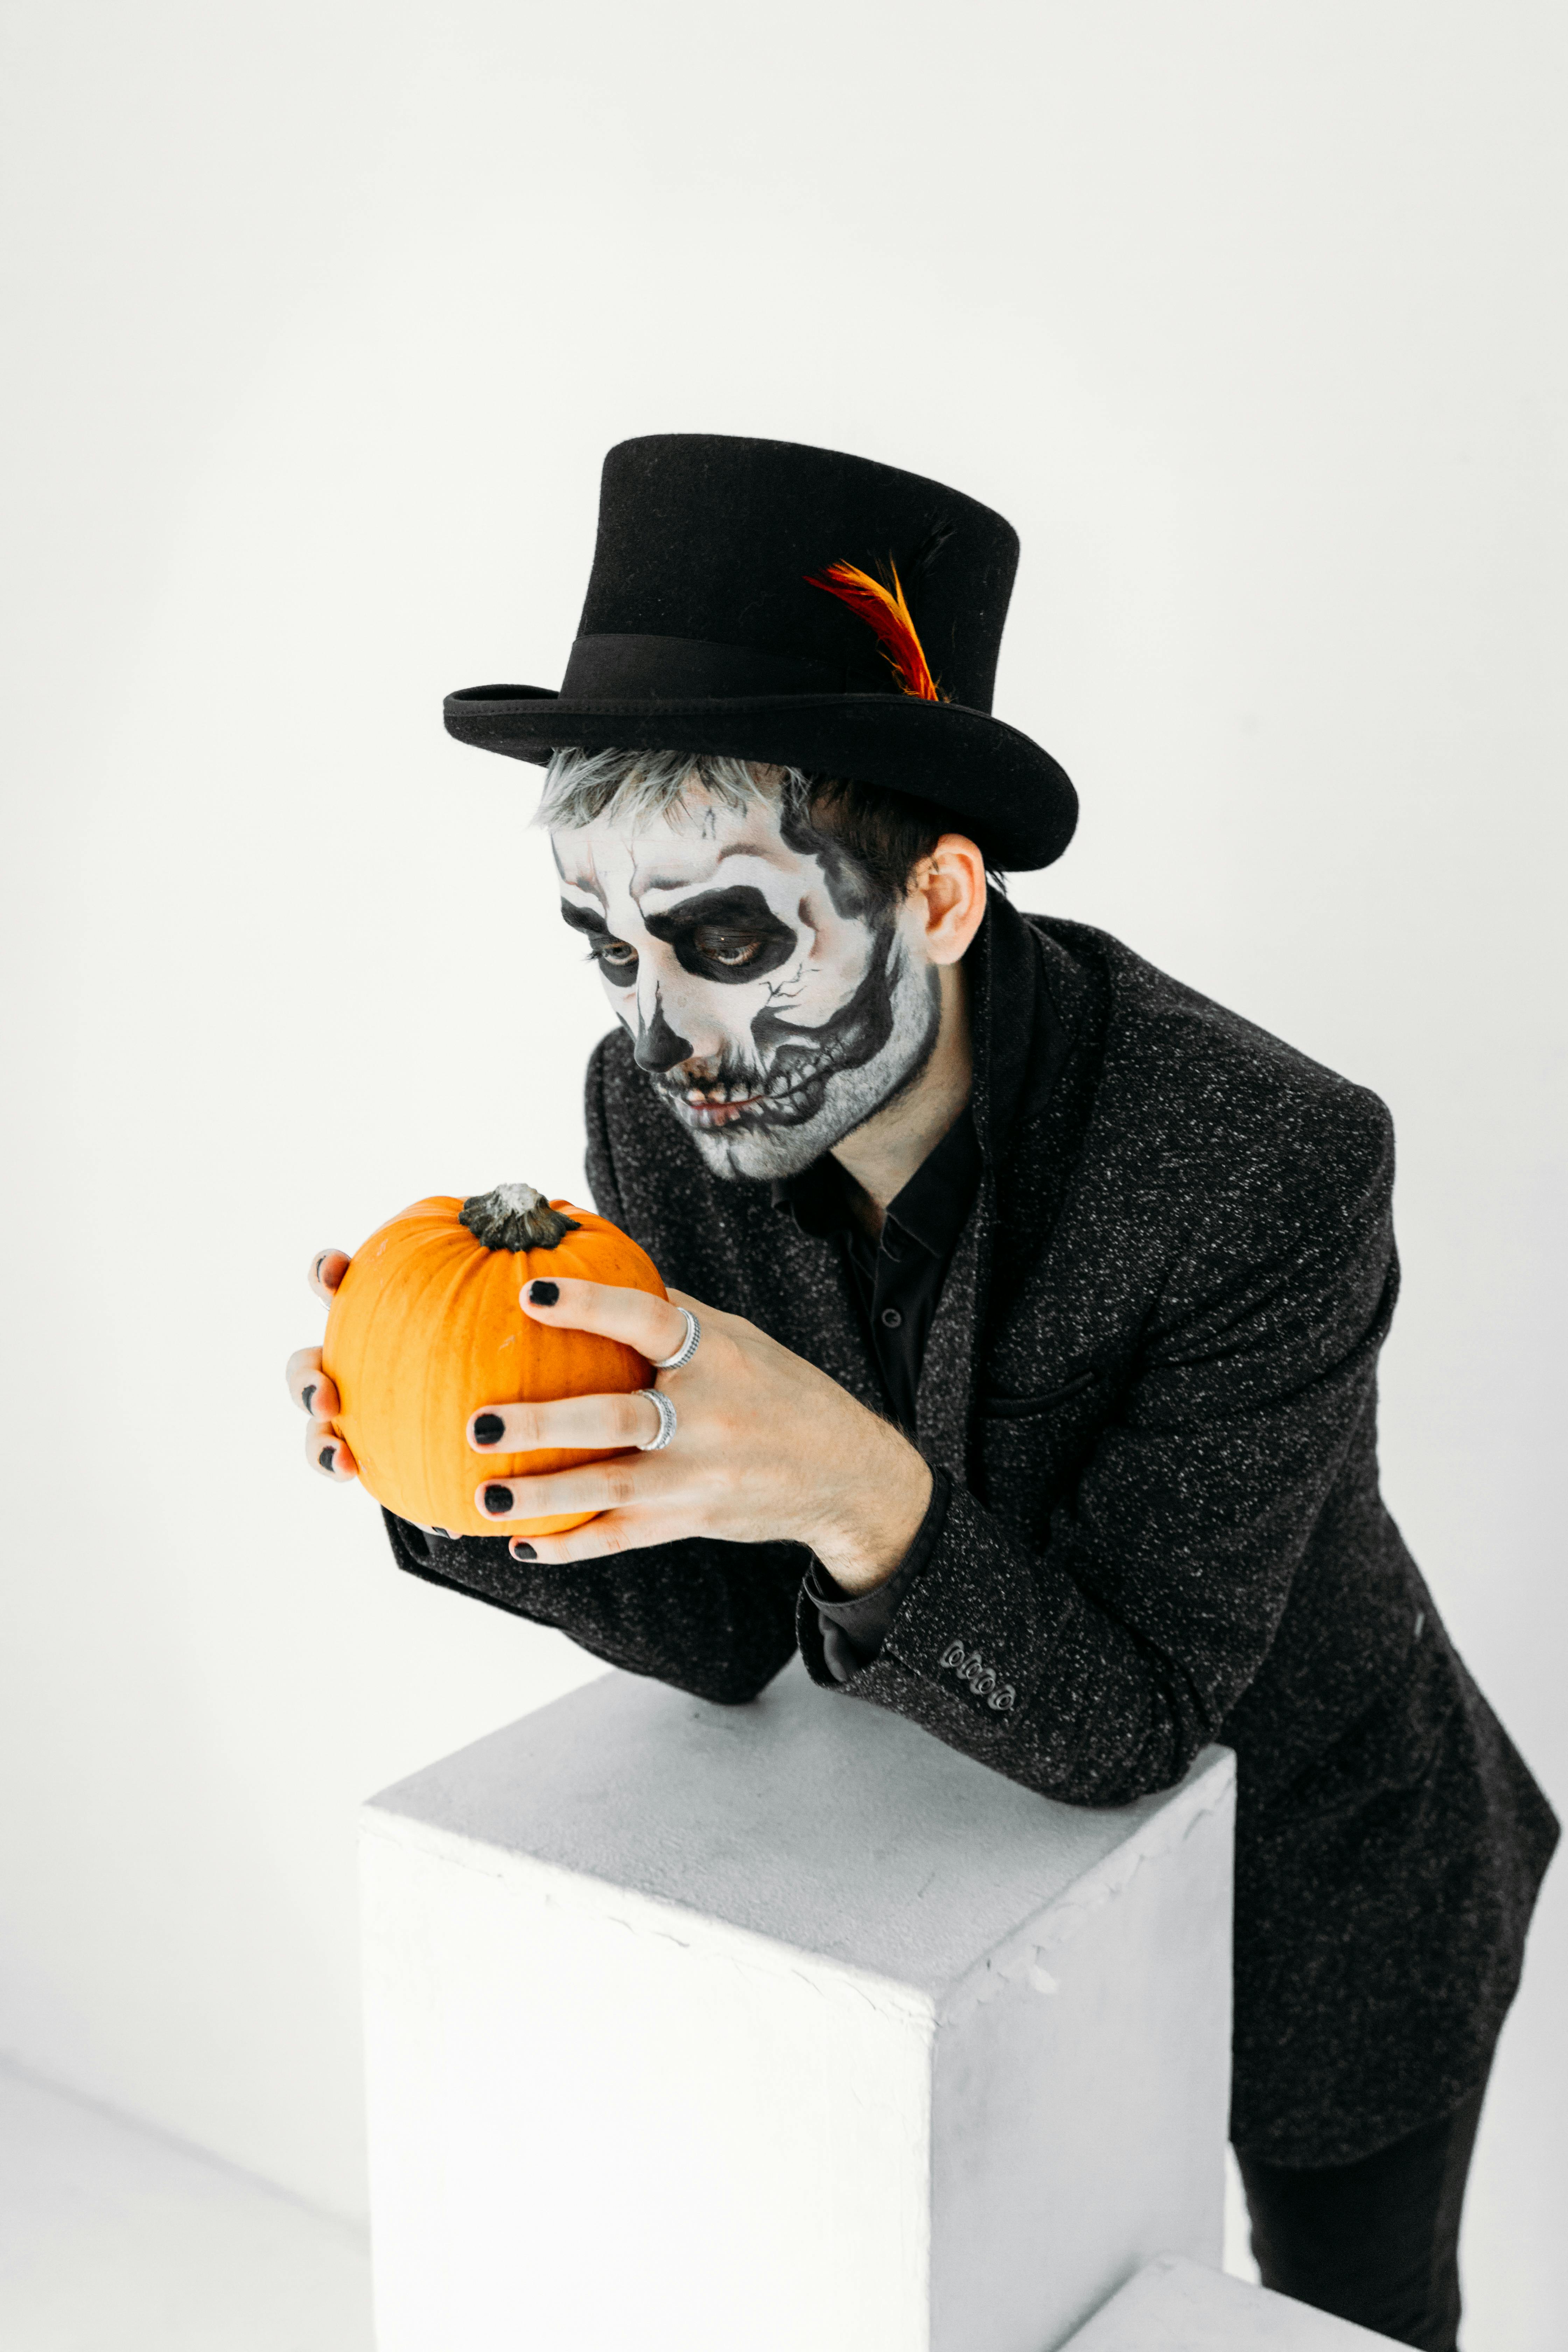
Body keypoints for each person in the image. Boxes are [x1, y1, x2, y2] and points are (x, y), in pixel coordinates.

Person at [287, 436, 1555, 2350]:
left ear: (943, 896)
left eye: (723, 938)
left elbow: (1142, 1717)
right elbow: (727, 1627)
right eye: (609, 947)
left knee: (1343, 2320)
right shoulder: (652, 1104)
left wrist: (859, 1491)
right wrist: (463, 1468)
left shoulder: (1269, 1160)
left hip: (1319, 1872)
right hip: (973, 1902)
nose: (663, 1030)